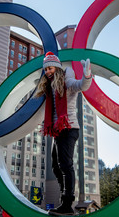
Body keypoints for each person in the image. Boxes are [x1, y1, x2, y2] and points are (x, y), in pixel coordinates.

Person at [35, 52, 92, 215]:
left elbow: (81, 85)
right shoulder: (50, 86)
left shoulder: (66, 80)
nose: (47, 72)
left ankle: (68, 204)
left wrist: (87, 75)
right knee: (56, 165)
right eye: (45, 69)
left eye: (50, 68)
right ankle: (64, 200)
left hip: (69, 128)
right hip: (59, 130)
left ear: (57, 68)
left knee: (66, 165)